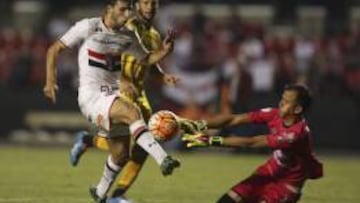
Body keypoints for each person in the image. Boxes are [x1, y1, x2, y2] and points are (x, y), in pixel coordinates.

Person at [43, 0, 180, 202]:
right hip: (92, 96)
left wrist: (164, 52)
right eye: (122, 9)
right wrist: (50, 81)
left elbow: (145, 59)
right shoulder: (88, 26)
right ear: (109, 9)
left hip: (112, 95)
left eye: (128, 10)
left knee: (121, 154)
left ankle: (99, 193)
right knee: (133, 113)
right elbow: (54, 49)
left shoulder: (127, 35)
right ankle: (163, 159)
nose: (126, 14)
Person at [182, 84, 323, 203]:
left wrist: (209, 141)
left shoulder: (296, 134)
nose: (281, 103)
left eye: (286, 102)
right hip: (267, 173)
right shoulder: (274, 114)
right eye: (282, 99)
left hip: (286, 186)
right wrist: (196, 125)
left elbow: (251, 142)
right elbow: (234, 120)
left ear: (297, 109)